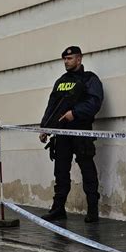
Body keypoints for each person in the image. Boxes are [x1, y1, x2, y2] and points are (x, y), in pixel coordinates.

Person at [39, 46, 103, 223]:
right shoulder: (61, 81)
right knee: (60, 172)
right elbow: (53, 106)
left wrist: (74, 113)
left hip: (81, 132)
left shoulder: (90, 79)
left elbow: (95, 102)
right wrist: (45, 127)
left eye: (70, 58)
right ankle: (58, 209)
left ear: (79, 59)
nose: (66, 62)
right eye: (64, 59)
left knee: (87, 170)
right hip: (62, 135)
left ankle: (92, 210)